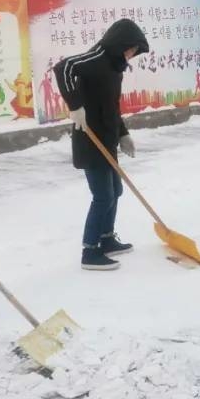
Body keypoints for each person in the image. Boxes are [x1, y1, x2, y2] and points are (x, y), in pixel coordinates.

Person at [54, 18, 149, 271]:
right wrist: (75, 106)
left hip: (107, 138)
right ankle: (90, 250)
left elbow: (112, 107)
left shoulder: (114, 67)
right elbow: (63, 68)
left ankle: (106, 238)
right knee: (103, 195)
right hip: (90, 139)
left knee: (115, 191)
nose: (131, 55)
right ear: (120, 43)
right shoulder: (95, 58)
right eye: (131, 49)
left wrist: (122, 134)